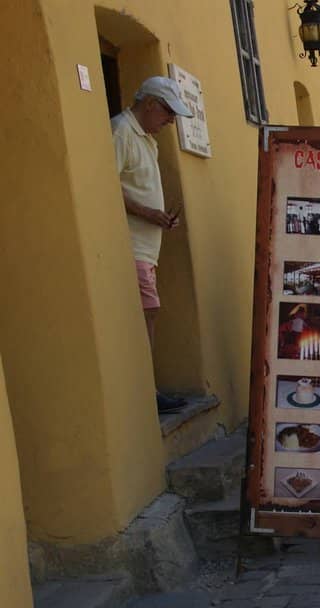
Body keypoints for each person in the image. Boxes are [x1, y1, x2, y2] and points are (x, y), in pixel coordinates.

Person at [112, 76, 194, 413]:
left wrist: (159, 217)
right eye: (167, 113)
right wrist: (148, 213)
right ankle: (146, 391)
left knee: (149, 313)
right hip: (132, 245)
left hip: (147, 246)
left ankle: (147, 388)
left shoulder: (146, 138)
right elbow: (107, 184)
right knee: (148, 312)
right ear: (149, 104)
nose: (170, 121)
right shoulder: (121, 132)